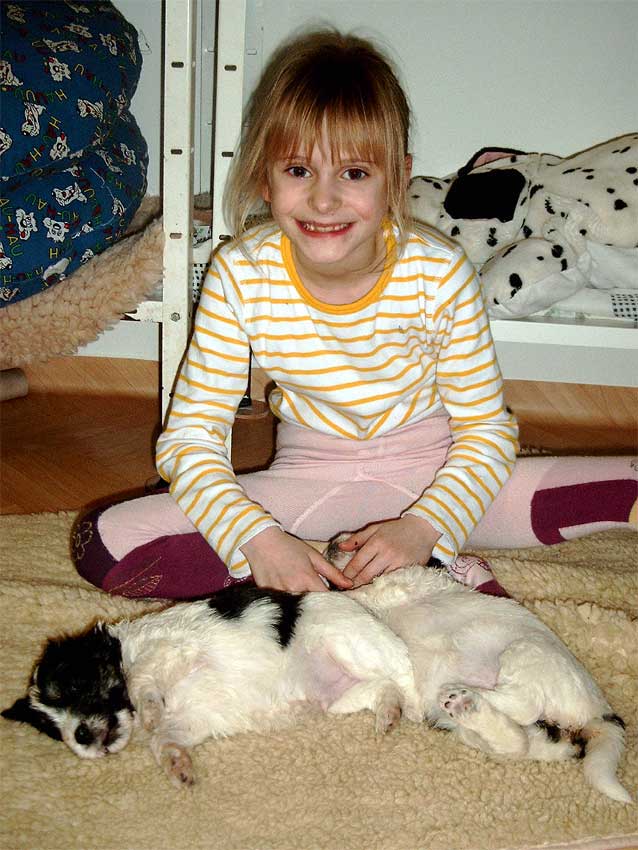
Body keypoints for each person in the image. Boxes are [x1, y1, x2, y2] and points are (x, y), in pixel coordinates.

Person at [72, 29, 637, 600]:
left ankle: (383, 567)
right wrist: (257, 538)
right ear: (264, 175)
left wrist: (426, 525)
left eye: (355, 173)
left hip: (437, 471)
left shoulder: (439, 272)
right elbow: (190, 440)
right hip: (307, 481)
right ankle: (396, 574)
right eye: (299, 170)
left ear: (398, 177)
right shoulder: (239, 273)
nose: (324, 200)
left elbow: (486, 434)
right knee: (104, 544)